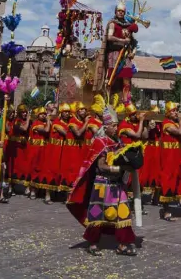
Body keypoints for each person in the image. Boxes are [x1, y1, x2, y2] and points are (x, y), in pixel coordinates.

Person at [66, 105, 140, 256]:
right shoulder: (100, 142)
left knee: (123, 213)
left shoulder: (118, 141)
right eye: (113, 126)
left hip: (118, 184)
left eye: (116, 125)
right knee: (98, 214)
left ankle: (122, 243)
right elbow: (101, 165)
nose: (116, 128)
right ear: (106, 127)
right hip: (103, 184)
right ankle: (92, 243)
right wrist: (117, 169)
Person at [99, 0, 140, 102]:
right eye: (119, 11)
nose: (121, 12)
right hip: (114, 53)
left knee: (126, 78)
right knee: (112, 77)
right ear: (115, 12)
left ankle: (125, 100)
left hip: (125, 54)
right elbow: (109, 37)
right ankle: (108, 100)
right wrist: (122, 40)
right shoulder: (113, 24)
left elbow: (133, 37)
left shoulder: (126, 25)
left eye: (123, 11)